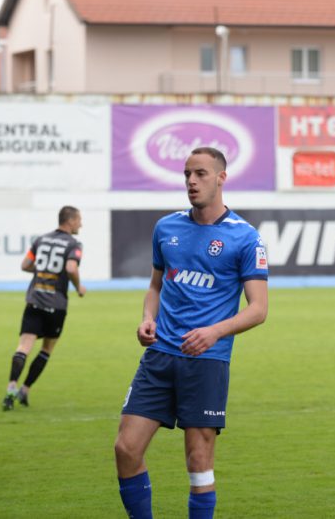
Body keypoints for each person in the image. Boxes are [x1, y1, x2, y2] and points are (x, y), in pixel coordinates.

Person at [114, 147, 268, 519]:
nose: (192, 181)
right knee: (125, 449)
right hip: (159, 356)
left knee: (199, 462)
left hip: (206, 361)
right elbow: (155, 286)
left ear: (221, 177)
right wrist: (147, 318)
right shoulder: (167, 228)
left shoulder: (245, 238)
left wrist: (215, 332)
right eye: (187, 174)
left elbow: (259, 309)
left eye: (200, 173)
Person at [2, 206, 86, 410]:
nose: (81, 224)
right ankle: (25, 390)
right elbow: (71, 268)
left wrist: (42, 271)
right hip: (56, 305)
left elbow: (25, 265)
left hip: (35, 300)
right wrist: (78, 287)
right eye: (79, 220)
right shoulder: (74, 244)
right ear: (70, 221)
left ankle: (11, 388)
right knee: (46, 349)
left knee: (23, 347)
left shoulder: (41, 240)